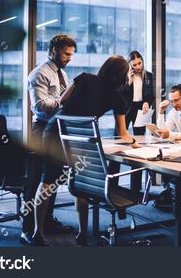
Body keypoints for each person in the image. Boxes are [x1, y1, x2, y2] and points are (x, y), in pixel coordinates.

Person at [31, 55, 140, 246]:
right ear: (123, 76)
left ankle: (37, 233)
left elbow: (62, 101)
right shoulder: (118, 98)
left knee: (47, 181)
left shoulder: (84, 77)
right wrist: (134, 142)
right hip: (82, 138)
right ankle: (82, 234)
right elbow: (123, 134)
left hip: (55, 129)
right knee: (81, 184)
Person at [24, 35, 77, 245]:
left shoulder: (62, 73)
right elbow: (39, 106)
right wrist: (63, 102)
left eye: (71, 55)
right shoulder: (39, 74)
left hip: (56, 130)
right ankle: (28, 229)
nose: (69, 58)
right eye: (66, 54)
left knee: (52, 178)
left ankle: (46, 221)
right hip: (41, 131)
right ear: (54, 49)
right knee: (37, 180)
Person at [121, 51, 155, 135]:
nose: (138, 67)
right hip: (126, 108)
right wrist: (128, 82)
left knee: (140, 136)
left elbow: (151, 95)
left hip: (140, 109)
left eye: (139, 63)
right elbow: (120, 94)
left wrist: (147, 102)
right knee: (120, 135)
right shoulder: (124, 76)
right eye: (134, 65)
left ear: (142, 61)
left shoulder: (148, 75)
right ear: (129, 65)